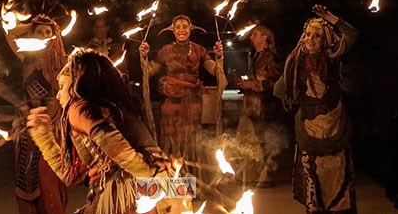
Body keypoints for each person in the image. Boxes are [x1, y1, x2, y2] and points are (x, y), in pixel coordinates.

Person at [27, 48, 174, 214]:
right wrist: (42, 134)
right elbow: (70, 175)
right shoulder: (119, 106)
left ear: (77, 84)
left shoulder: (78, 108)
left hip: (125, 200)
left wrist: (148, 173)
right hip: (147, 194)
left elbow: (110, 140)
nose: (59, 95)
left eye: (61, 86)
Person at [274, 4, 358, 214]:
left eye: (317, 36)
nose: (310, 39)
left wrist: (329, 17)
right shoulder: (296, 63)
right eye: (307, 35)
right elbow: (279, 91)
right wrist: (288, 70)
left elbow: (351, 34)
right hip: (309, 126)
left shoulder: (333, 58)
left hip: (335, 124)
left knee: (337, 179)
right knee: (314, 180)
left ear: (325, 40)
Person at [139, 14, 225, 176]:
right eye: (177, 27)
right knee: (171, 138)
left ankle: (191, 179)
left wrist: (219, 56)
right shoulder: (166, 50)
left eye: (185, 26)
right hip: (170, 101)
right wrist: (144, 56)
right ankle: (171, 179)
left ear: (190, 29)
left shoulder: (199, 49)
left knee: (191, 138)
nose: (181, 30)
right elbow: (149, 72)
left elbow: (214, 70)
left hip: (192, 102)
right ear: (172, 30)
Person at [5, 14, 68, 214]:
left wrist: (46, 120)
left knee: (48, 175)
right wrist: (30, 26)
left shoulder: (61, 62)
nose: (42, 36)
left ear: (54, 36)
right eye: (39, 32)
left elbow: (61, 97)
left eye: (47, 32)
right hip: (26, 126)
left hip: (51, 126)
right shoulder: (27, 56)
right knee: (27, 178)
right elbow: (10, 33)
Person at [235, 25, 285, 188]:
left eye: (254, 34)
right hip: (253, 105)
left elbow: (275, 81)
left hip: (265, 105)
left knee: (265, 140)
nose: (251, 38)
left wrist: (253, 84)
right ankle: (254, 175)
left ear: (264, 37)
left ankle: (266, 176)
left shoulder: (271, 57)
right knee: (254, 140)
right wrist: (246, 84)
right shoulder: (255, 55)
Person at [86, 16, 129, 81]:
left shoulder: (115, 47)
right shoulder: (88, 48)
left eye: (102, 27)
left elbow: (122, 69)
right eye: (97, 27)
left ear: (107, 28)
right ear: (93, 29)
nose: (99, 30)